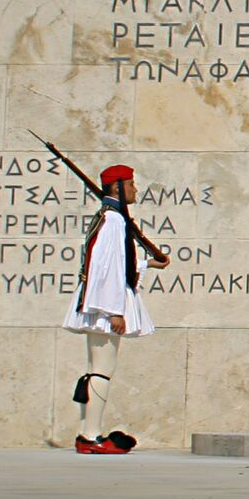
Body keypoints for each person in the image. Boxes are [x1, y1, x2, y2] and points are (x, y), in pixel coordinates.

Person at [64, 164, 169, 454]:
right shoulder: (113, 220)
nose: (135, 190)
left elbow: (119, 263)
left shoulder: (110, 217)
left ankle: (87, 433)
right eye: (131, 185)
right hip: (104, 305)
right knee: (102, 370)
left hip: (99, 302)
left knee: (96, 369)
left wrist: (147, 264)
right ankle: (91, 436)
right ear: (117, 187)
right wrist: (113, 311)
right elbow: (104, 268)